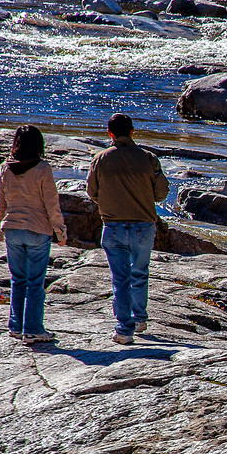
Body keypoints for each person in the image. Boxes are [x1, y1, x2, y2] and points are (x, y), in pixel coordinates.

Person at [86, 113, 168, 344]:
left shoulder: (100, 159)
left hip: (113, 227)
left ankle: (124, 330)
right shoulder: (148, 158)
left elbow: (92, 193)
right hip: (143, 226)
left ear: (110, 133)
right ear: (133, 131)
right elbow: (161, 193)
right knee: (140, 273)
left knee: (120, 279)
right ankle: (140, 319)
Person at [0, 124, 67, 343]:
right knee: (35, 283)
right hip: (37, 230)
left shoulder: (5, 167)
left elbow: (1, 201)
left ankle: (16, 326)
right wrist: (60, 231)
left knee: (18, 281)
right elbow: (51, 204)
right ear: (39, 144)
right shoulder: (42, 168)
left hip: (13, 229)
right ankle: (33, 329)